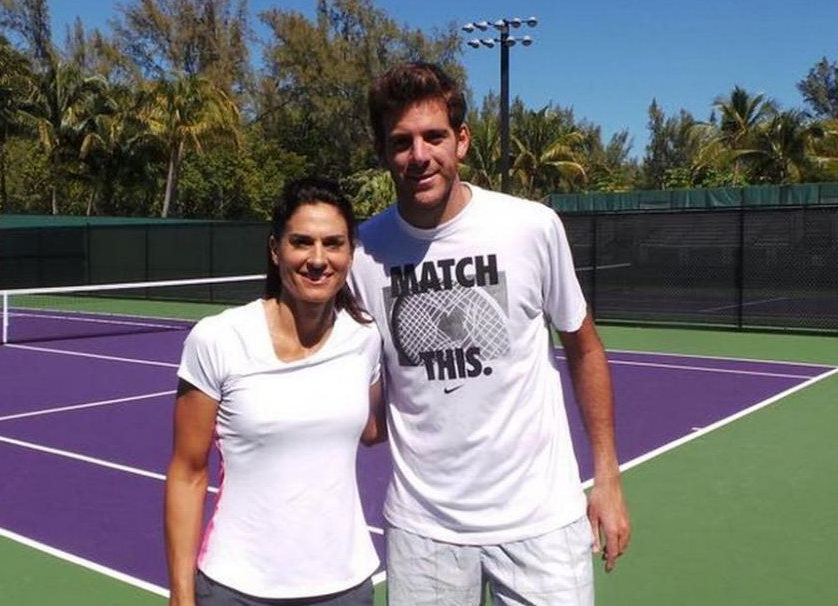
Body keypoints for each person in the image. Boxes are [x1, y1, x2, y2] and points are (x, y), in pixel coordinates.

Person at [348, 62, 631, 605]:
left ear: (462, 140)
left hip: (542, 523)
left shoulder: (532, 227)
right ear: (383, 151)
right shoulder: (362, 255)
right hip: (423, 532)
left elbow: (584, 346)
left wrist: (608, 478)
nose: (419, 155)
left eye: (434, 136)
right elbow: (367, 403)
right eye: (401, 141)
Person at [164, 178, 386, 606]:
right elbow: (187, 472)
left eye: (333, 243)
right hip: (236, 588)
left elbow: (373, 428)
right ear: (275, 250)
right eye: (301, 242)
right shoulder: (218, 338)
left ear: (350, 252)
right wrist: (181, 594)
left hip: (345, 588)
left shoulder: (364, 338)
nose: (318, 259)